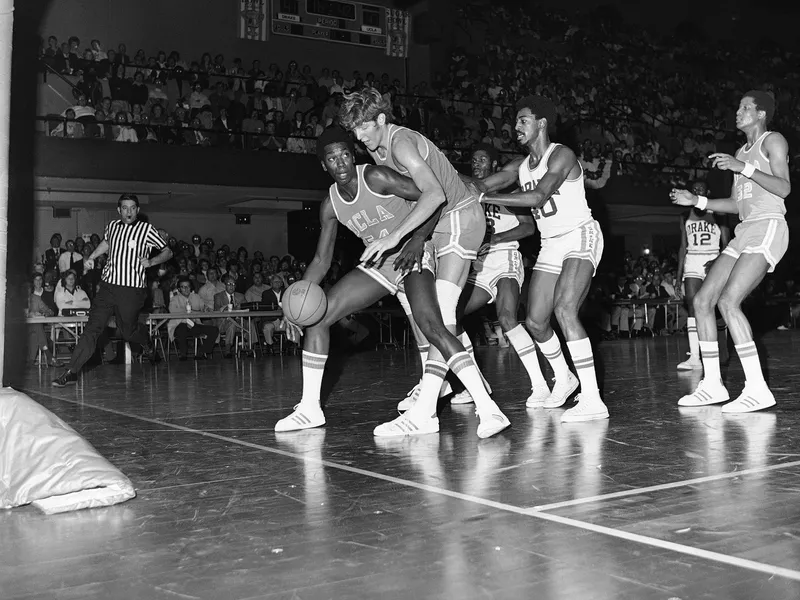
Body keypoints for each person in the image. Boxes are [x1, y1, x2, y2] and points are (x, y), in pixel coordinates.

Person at [275, 127, 509, 439]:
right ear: (324, 166)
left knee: (433, 327)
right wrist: (294, 305)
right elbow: (321, 261)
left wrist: (418, 239)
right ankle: (309, 408)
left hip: (412, 254)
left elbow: (432, 196)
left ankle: (488, 407)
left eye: (345, 154)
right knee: (318, 316)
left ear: (353, 155)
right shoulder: (330, 205)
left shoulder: (375, 178)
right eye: (332, 159)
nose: (341, 162)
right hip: (380, 265)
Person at [339, 89, 508, 437]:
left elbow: (435, 195)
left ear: (382, 119)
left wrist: (394, 237)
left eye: (364, 127)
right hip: (439, 227)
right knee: (433, 321)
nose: (359, 136)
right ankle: (448, 402)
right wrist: (412, 239)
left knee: (440, 319)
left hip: (460, 218)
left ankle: (431, 411)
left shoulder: (400, 143)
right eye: (354, 130)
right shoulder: (379, 150)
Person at [472, 95, 609, 422]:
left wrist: (483, 195)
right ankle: (564, 377)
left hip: (580, 235)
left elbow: (537, 196)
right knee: (534, 321)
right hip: (551, 244)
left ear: (541, 123)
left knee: (564, 308)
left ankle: (592, 399)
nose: (515, 126)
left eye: (523, 120)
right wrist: (444, 183)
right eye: (516, 121)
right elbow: (483, 183)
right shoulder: (520, 166)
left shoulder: (561, 154)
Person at [671, 90, 790, 412]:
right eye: (738, 106)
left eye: (745, 107)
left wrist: (743, 167)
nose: (738, 111)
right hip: (744, 229)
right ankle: (711, 385)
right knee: (702, 300)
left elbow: (783, 188)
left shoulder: (772, 141)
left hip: (768, 226)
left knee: (728, 301)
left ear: (761, 113)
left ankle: (757, 388)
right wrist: (697, 202)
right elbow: (738, 205)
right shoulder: (741, 150)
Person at [449, 143, 547, 407]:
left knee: (506, 317)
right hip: (479, 264)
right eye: (474, 160)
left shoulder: (507, 191)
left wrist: (494, 238)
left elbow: (528, 229)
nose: (477, 164)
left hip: (505, 258)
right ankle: (475, 384)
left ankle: (539, 385)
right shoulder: (467, 197)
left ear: (494, 166)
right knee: (451, 317)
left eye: (482, 159)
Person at [52, 194, 173, 386]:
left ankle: (146, 342)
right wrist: (91, 256)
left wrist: (151, 261)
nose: (129, 212)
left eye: (133, 208)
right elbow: (107, 243)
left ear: (137, 210)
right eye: (125, 208)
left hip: (132, 290)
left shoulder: (146, 229)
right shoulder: (112, 227)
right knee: (92, 328)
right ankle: (72, 370)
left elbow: (168, 251)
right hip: (108, 287)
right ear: (119, 210)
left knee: (127, 332)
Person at [675, 181, 730, 370]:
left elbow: (727, 244)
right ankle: (694, 357)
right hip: (692, 260)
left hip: (712, 259)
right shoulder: (684, 215)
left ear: (707, 192)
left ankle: (719, 348)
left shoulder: (718, 213)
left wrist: (718, 262)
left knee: (711, 306)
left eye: (701, 189)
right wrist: (677, 277)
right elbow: (683, 247)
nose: (697, 190)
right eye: (694, 189)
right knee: (692, 304)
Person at [168, 276, 218, 360]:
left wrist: (206, 309)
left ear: (191, 287)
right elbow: (172, 311)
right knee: (182, 328)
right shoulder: (175, 299)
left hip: (195, 324)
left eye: (188, 286)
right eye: (183, 287)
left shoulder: (196, 297)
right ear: (179, 289)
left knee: (214, 330)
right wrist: (191, 312)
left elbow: (203, 308)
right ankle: (183, 354)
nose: (186, 289)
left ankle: (201, 352)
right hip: (180, 325)